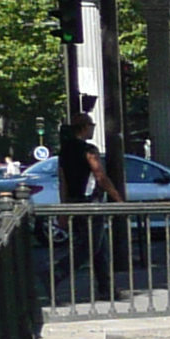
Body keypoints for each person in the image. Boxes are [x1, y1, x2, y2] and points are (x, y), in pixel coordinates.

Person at [54, 115, 122, 300]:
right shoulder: (89, 150)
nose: (93, 129)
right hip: (91, 203)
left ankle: (107, 288)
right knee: (89, 247)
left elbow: (63, 182)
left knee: (100, 248)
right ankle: (55, 273)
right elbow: (100, 176)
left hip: (74, 203)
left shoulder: (64, 151)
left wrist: (64, 208)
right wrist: (117, 198)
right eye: (91, 125)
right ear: (84, 128)